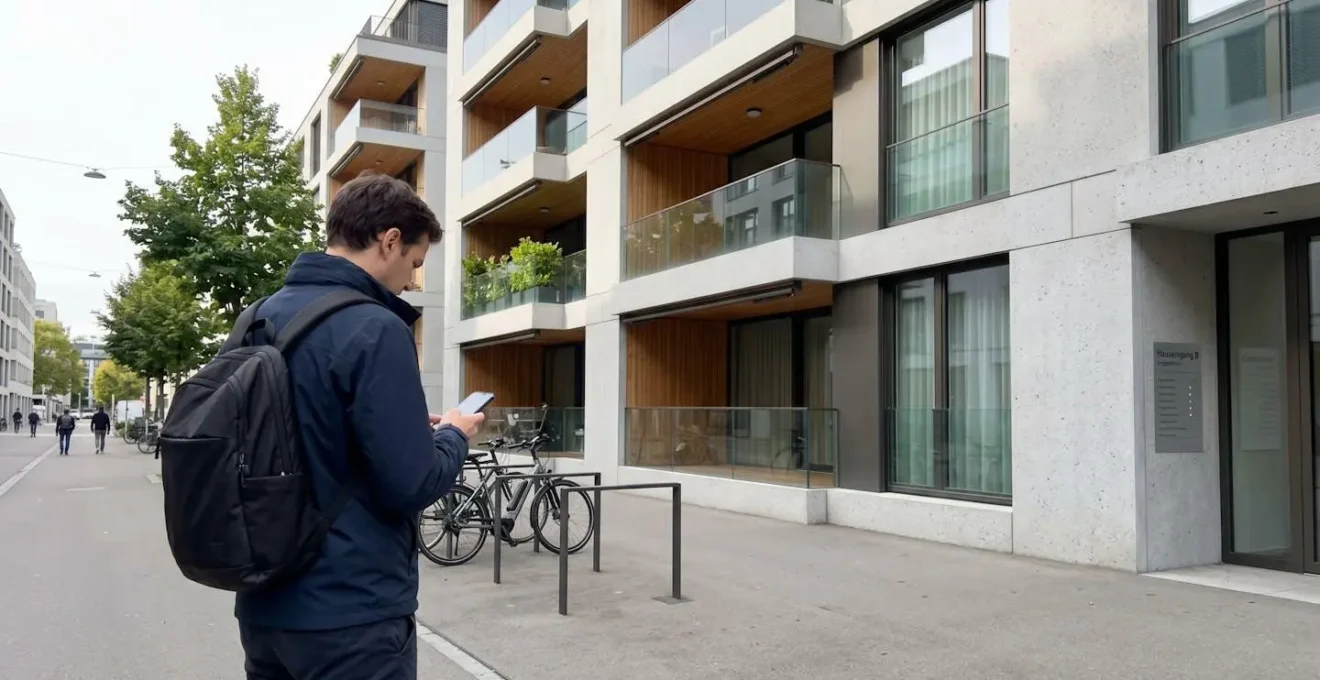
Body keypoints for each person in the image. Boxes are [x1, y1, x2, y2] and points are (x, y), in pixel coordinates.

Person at [235, 172, 483, 680]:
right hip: (352, 616)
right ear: (389, 240)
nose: (412, 280)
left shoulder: (254, 320)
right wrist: (453, 434)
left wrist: (408, 428)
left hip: (263, 605)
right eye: (415, 263)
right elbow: (411, 483)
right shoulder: (376, 327)